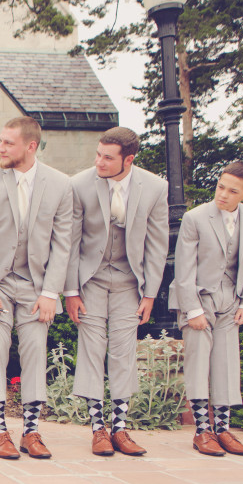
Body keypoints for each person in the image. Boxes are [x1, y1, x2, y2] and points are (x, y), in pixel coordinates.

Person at [0, 116, 73, 460]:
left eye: (8, 143)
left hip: (36, 285)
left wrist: (50, 293)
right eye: (0, 141)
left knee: (35, 350)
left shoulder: (60, 184)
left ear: (31, 146)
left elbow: (62, 243)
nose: (0, 148)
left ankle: (31, 431)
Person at [65, 127, 168, 457]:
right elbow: (70, 242)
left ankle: (120, 428)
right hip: (91, 280)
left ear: (129, 159)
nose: (99, 162)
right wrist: (70, 291)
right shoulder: (79, 184)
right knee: (92, 349)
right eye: (98, 154)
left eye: (108, 158)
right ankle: (98, 429)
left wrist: (150, 294)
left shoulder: (155, 187)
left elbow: (157, 246)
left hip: (128, 282)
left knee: (124, 352)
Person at [170, 161, 243, 457]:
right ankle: (202, 431)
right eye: (221, 187)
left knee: (226, 365)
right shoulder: (195, 217)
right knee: (198, 365)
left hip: (231, 300)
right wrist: (192, 310)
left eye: (232, 191)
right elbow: (184, 268)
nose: (223, 194)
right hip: (199, 299)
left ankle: (223, 430)